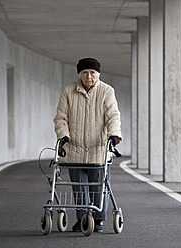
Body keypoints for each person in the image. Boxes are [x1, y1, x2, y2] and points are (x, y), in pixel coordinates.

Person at [53, 57, 122, 233]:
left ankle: (98, 220)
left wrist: (114, 134)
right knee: (79, 187)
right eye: (85, 73)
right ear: (80, 74)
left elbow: (113, 115)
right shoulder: (68, 91)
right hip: (74, 149)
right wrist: (64, 135)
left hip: (98, 149)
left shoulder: (107, 91)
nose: (89, 76)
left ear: (98, 74)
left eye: (92, 73)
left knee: (99, 186)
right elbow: (61, 117)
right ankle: (83, 219)